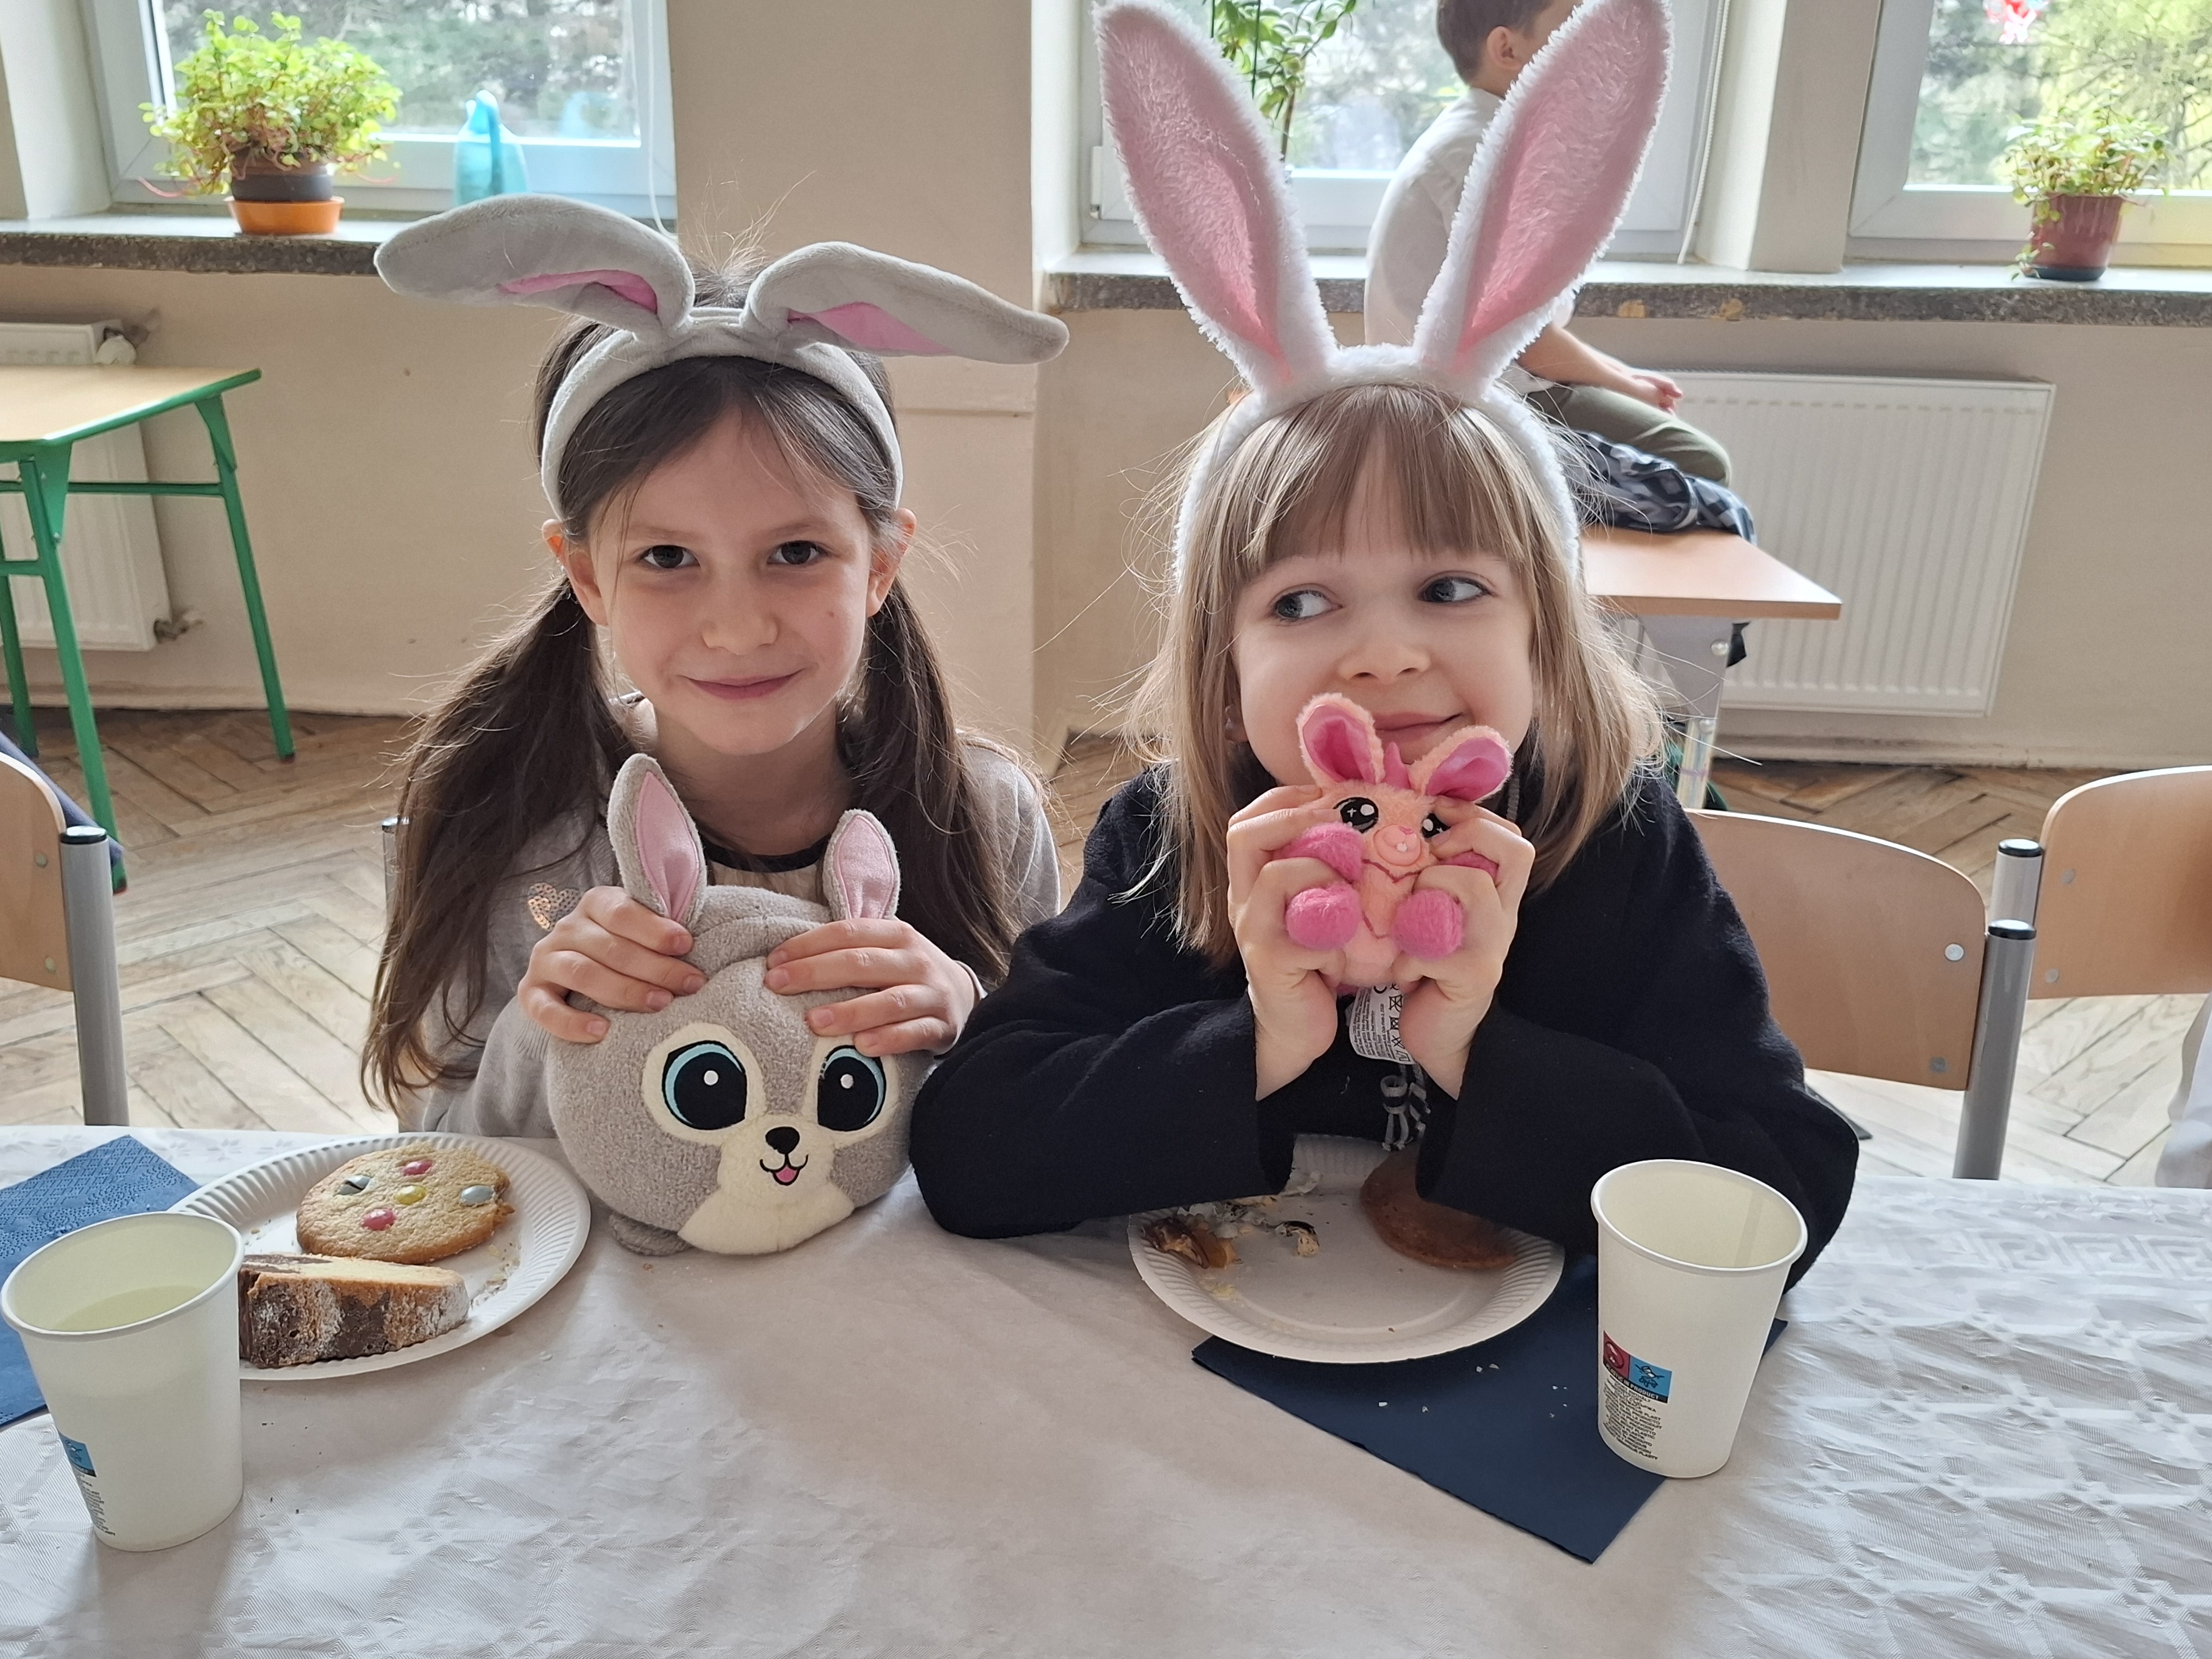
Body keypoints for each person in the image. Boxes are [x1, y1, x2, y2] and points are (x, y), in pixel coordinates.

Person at [909, 0, 1855, 1278]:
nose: (1384, 656)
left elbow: (1782, 1192)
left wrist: (1473, 1050)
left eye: (1449, 588)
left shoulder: (1616, 843)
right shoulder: (1171, 835)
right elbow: (970, 1149)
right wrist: (1256, 1040)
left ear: (1545, 639)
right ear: (1222, 669)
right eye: (1302, 604)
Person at [362, 196, 1068, 1135]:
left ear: (880, 564)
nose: (737, 630)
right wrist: (543, 1029)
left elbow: (1050, 1120)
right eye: (668, 558)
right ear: (587, 576)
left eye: (795, 553)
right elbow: (438, 1154)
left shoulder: (984, 814)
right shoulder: (509, 823)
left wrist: (970, 1020)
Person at [1366, 0, 1734, 486]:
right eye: (1572, 26)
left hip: (1494, 381)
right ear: (1507, 49)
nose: (1594, 44)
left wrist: (1620, 374)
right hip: (1470, 397)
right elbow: (1526, 342)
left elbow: (1528, 326)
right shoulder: (1482, 153)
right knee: (1699, 463)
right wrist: (1625, 386)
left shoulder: (1488, 135)